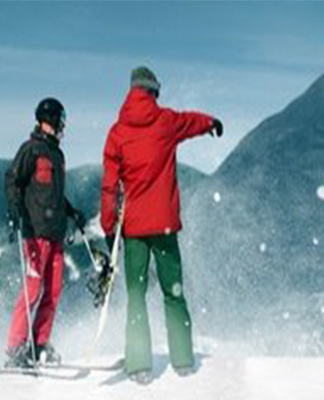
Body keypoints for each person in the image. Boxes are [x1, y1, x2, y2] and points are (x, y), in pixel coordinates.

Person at [101, 66, 223, 384]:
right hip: (165, 226)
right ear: (153, 91)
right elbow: (191, 121)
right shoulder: (166, 121)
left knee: (137, 295)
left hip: (134, 231)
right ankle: (183, 360)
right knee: (173, 291)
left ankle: (139, 365)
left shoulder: (117, 133)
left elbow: (109, 186)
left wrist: (109, 227)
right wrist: (211, 123)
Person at [4, 97, 86, 368]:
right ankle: (16, 347)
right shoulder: (31, 150)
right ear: (49, 120)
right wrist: (15, 208)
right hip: (35, 232)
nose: (63, 126)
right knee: (33, 288)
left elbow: (54, 195)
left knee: (52, 291)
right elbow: (12, 179)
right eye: (60, 120)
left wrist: (72, 212)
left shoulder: (57, 155)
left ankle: (38, 344)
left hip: (55, 233)